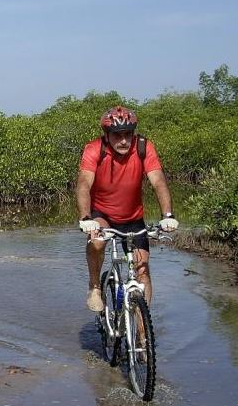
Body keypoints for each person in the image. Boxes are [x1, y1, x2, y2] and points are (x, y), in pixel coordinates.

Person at [76, 106, 179, 312]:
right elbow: (83, 184)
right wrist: (86, 218)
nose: (123, 140)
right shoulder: (94, 149)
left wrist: (167, 215)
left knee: (143, 273)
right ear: (107, 135)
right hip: (102, 214)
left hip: (133, 218)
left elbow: (158, 182)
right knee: (96, 243)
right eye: (117, 135)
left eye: (128, 134)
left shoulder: (143, 147)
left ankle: (142, 328)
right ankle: (95, 287)